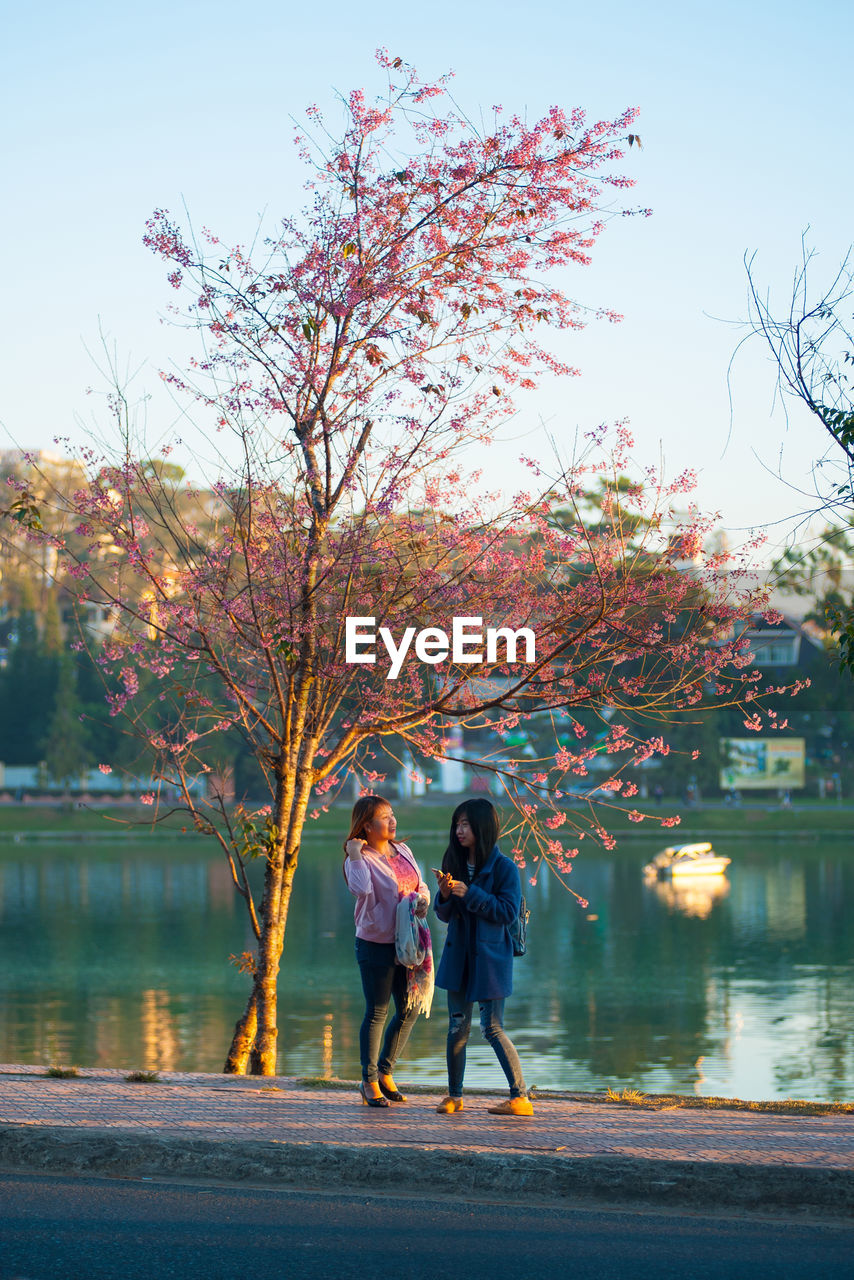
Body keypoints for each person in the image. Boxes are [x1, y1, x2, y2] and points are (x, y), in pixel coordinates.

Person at [432, 797, 533, 1117]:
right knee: (456, 1027)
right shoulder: (454, 860)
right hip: (459, 956)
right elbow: (444, 915)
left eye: (465, 824)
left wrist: (468, 893)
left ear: (482, 827)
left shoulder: (504, 868)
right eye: (456, 824)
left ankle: (520, 1098)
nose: (459, 830)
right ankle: (455, 1096)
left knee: (492, 1028)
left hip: (490, 959)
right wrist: (445, 896)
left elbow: (506, 912)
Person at [344, 795, 429, 1108]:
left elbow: (420, 885)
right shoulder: (360, 858)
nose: (392, 821)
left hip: (407, 941)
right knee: (377, 1011)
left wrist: (423, 900)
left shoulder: (402, 850)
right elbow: (361, 889)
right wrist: (354, 854)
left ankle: (385, 1071)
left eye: (392, 815)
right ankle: (368, 1081)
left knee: (409, 1008)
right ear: (367, 825)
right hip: (375, 943)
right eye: (384, 817)